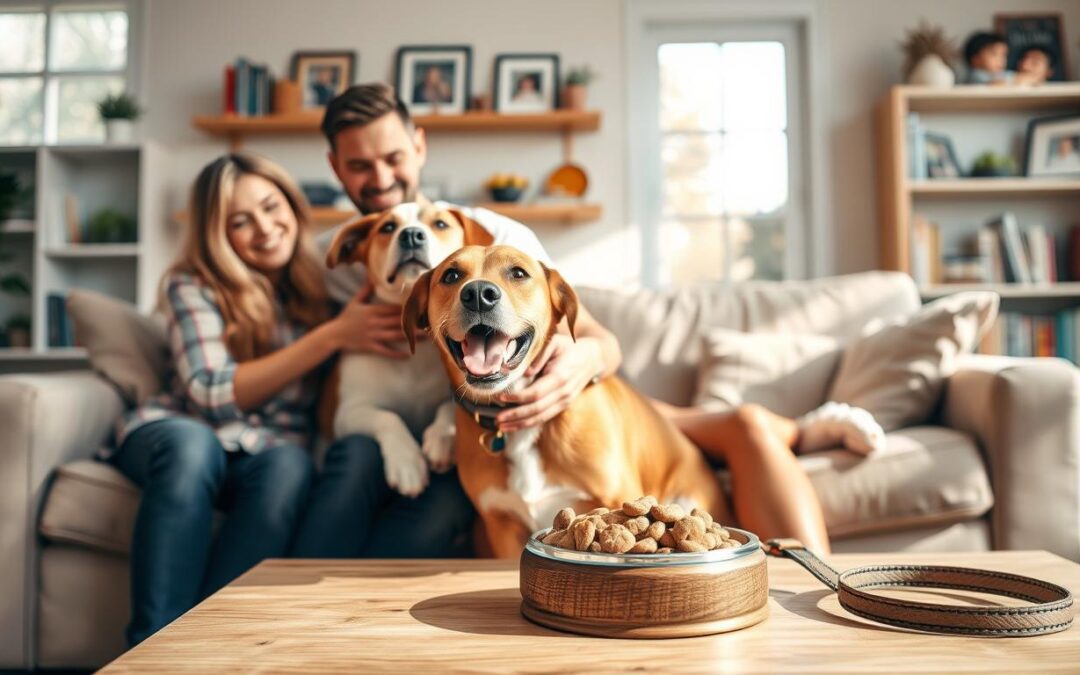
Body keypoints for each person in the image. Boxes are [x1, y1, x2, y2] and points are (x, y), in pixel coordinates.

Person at [317, 83, 856, 555]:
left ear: (419, 146)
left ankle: (802, 444)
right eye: (359, 165)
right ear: (335, 167)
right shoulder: (334, 258)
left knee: (746, 425)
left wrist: (581, 363)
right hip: (472, 423)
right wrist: (336, 333)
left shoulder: (497, 237)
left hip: (570, 397)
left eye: (392, 156)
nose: (380, 176)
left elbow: (595, 337)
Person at [108, 152, 379, 645]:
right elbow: (210, 391)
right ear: (218, 234)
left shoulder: (325, 285)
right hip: (180, 430)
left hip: (266, 449)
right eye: (240, 221)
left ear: (293, 206)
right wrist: (331, 337)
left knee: (289, 466)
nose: (265, 228)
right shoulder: (192, 284)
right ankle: (150, 645)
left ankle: (211, 641)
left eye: (271, 207)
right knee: (193, 448)